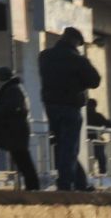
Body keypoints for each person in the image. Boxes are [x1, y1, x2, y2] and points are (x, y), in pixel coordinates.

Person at [37, 28, 99, 191]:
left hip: (51, 106)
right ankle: (65, 183)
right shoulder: (78, 60)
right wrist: (79, 84)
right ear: (75, 41)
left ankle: (81, 182)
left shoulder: (45, 56)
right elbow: (94, 81)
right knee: (70, 147)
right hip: (70, 107)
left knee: (64, 145)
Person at [0, 67, 41, 190]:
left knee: (22, 159)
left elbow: (11, 108)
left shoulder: (13, 90)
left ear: (1, 78)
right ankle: (33, 186)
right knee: (22, 159)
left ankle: (34, 187)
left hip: (14, 130)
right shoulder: (11, 89)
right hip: (12, 130)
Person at [85, 99, 111, 176]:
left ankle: (94, 173)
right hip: (95, 140)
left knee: (97, 157)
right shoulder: (97, 115)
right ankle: (102, 173)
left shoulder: (84, 116)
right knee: (101, 158)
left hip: (86, 141)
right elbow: (109, 124)